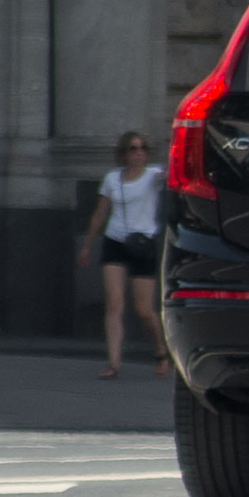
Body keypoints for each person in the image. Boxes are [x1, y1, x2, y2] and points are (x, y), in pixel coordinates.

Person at [79, 130, 168, 380]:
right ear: (123, 153)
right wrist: (87, 246)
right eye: (133, 148)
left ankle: (160, 349)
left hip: (143, 244)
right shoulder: (112, 179)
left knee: (143, 309)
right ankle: (114, 362)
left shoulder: (153, 176)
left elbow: (172, 173)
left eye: (142, 148)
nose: (138, 153)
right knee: (114, 302)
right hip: (115, 241)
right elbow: (100, 213)